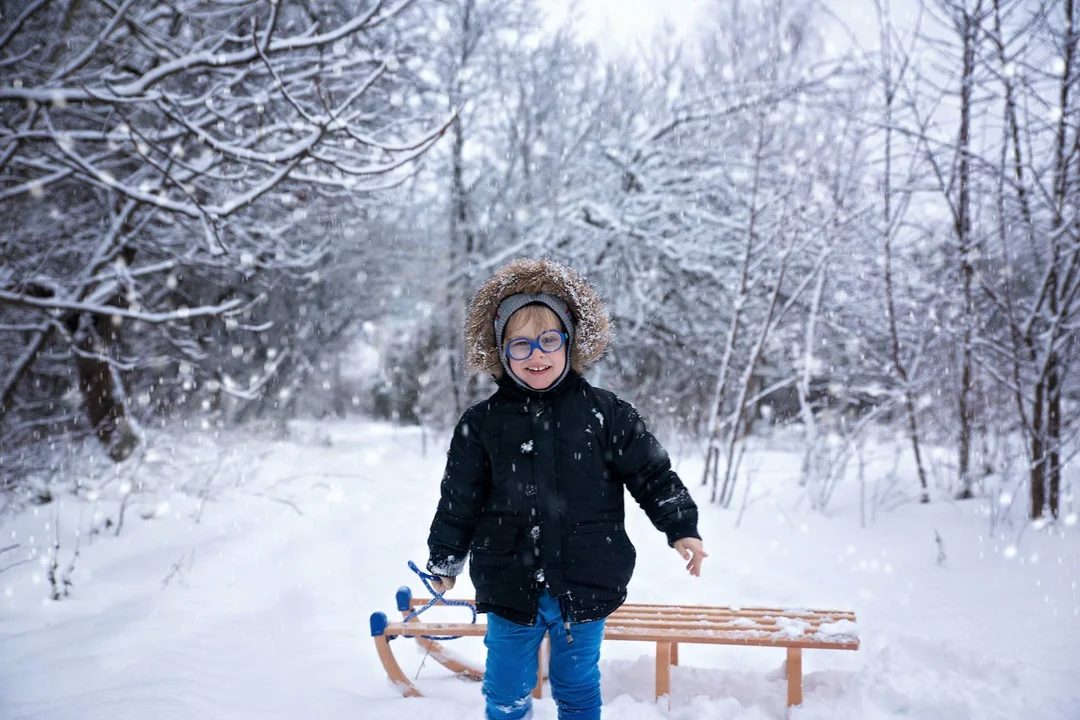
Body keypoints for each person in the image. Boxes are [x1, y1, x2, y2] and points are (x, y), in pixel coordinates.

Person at [426, 257, 707, 720]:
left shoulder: (606, 413)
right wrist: (445, 558)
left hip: (586, 583)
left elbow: (652, 474)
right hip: (508, 582)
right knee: (505, 689)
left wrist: (681, 526)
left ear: (570, 341)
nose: (537, 355)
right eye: (520, 345)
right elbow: (459, 500)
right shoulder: (481, 425)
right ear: (501, 352)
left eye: (548, 340)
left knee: (577, 687)